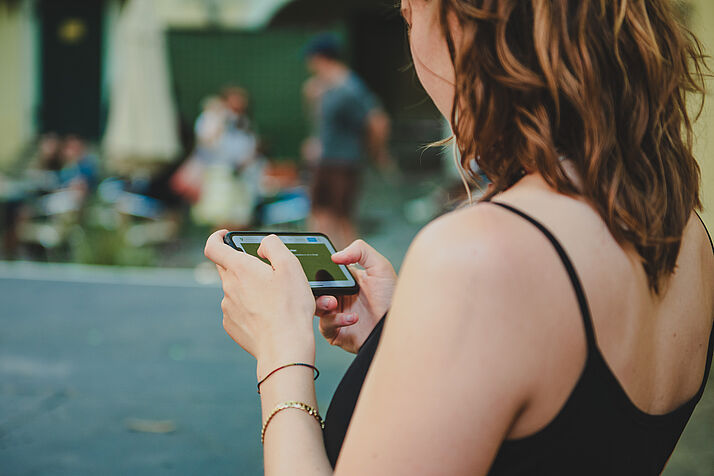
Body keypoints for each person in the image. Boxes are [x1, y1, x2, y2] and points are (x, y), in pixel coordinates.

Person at [204, 0, 714, 474]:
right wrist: (409, 333)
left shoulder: (478, 255)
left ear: (464, 25)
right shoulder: (688, 232)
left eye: (408, 16)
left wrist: (280, 353)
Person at [302, 34, 391, 249]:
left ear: (320, 58)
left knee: (343, 216)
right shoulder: (322, 87)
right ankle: (322, 263)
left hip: (344, 161)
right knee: (319, 212)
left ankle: (352, 268)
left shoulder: (349, 87)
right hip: (325, 160)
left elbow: (378, 121)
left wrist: (376, 152)